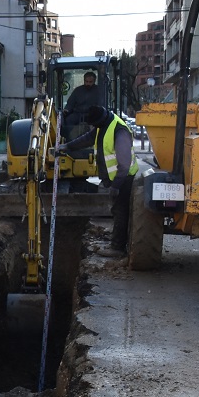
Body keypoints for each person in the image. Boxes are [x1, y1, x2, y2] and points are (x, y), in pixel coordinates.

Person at [63, 105, 138, 257]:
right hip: (115, 179)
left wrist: (116, 186)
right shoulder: (103, 125)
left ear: (100, 120)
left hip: (124, 179)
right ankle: (121, 243)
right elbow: (88, 138)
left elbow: (124, 165)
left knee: (120, 212)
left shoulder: (119, 130)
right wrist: (68, 146)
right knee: (118, 211)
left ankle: (117, 248)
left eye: (94, 124)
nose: (93, 127)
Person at [60, 71, 105, 139]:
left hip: (91, 114)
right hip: (78, 114)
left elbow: (100, 105)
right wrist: (67, 109)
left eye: (90, 82)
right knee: (69, 120)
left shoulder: (98, 91)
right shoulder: (78, 90)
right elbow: (70, 103)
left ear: (94, 81)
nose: (88, 83)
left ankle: (94, 139)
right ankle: (69, 139)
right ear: (84, 80)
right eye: (86, 81)